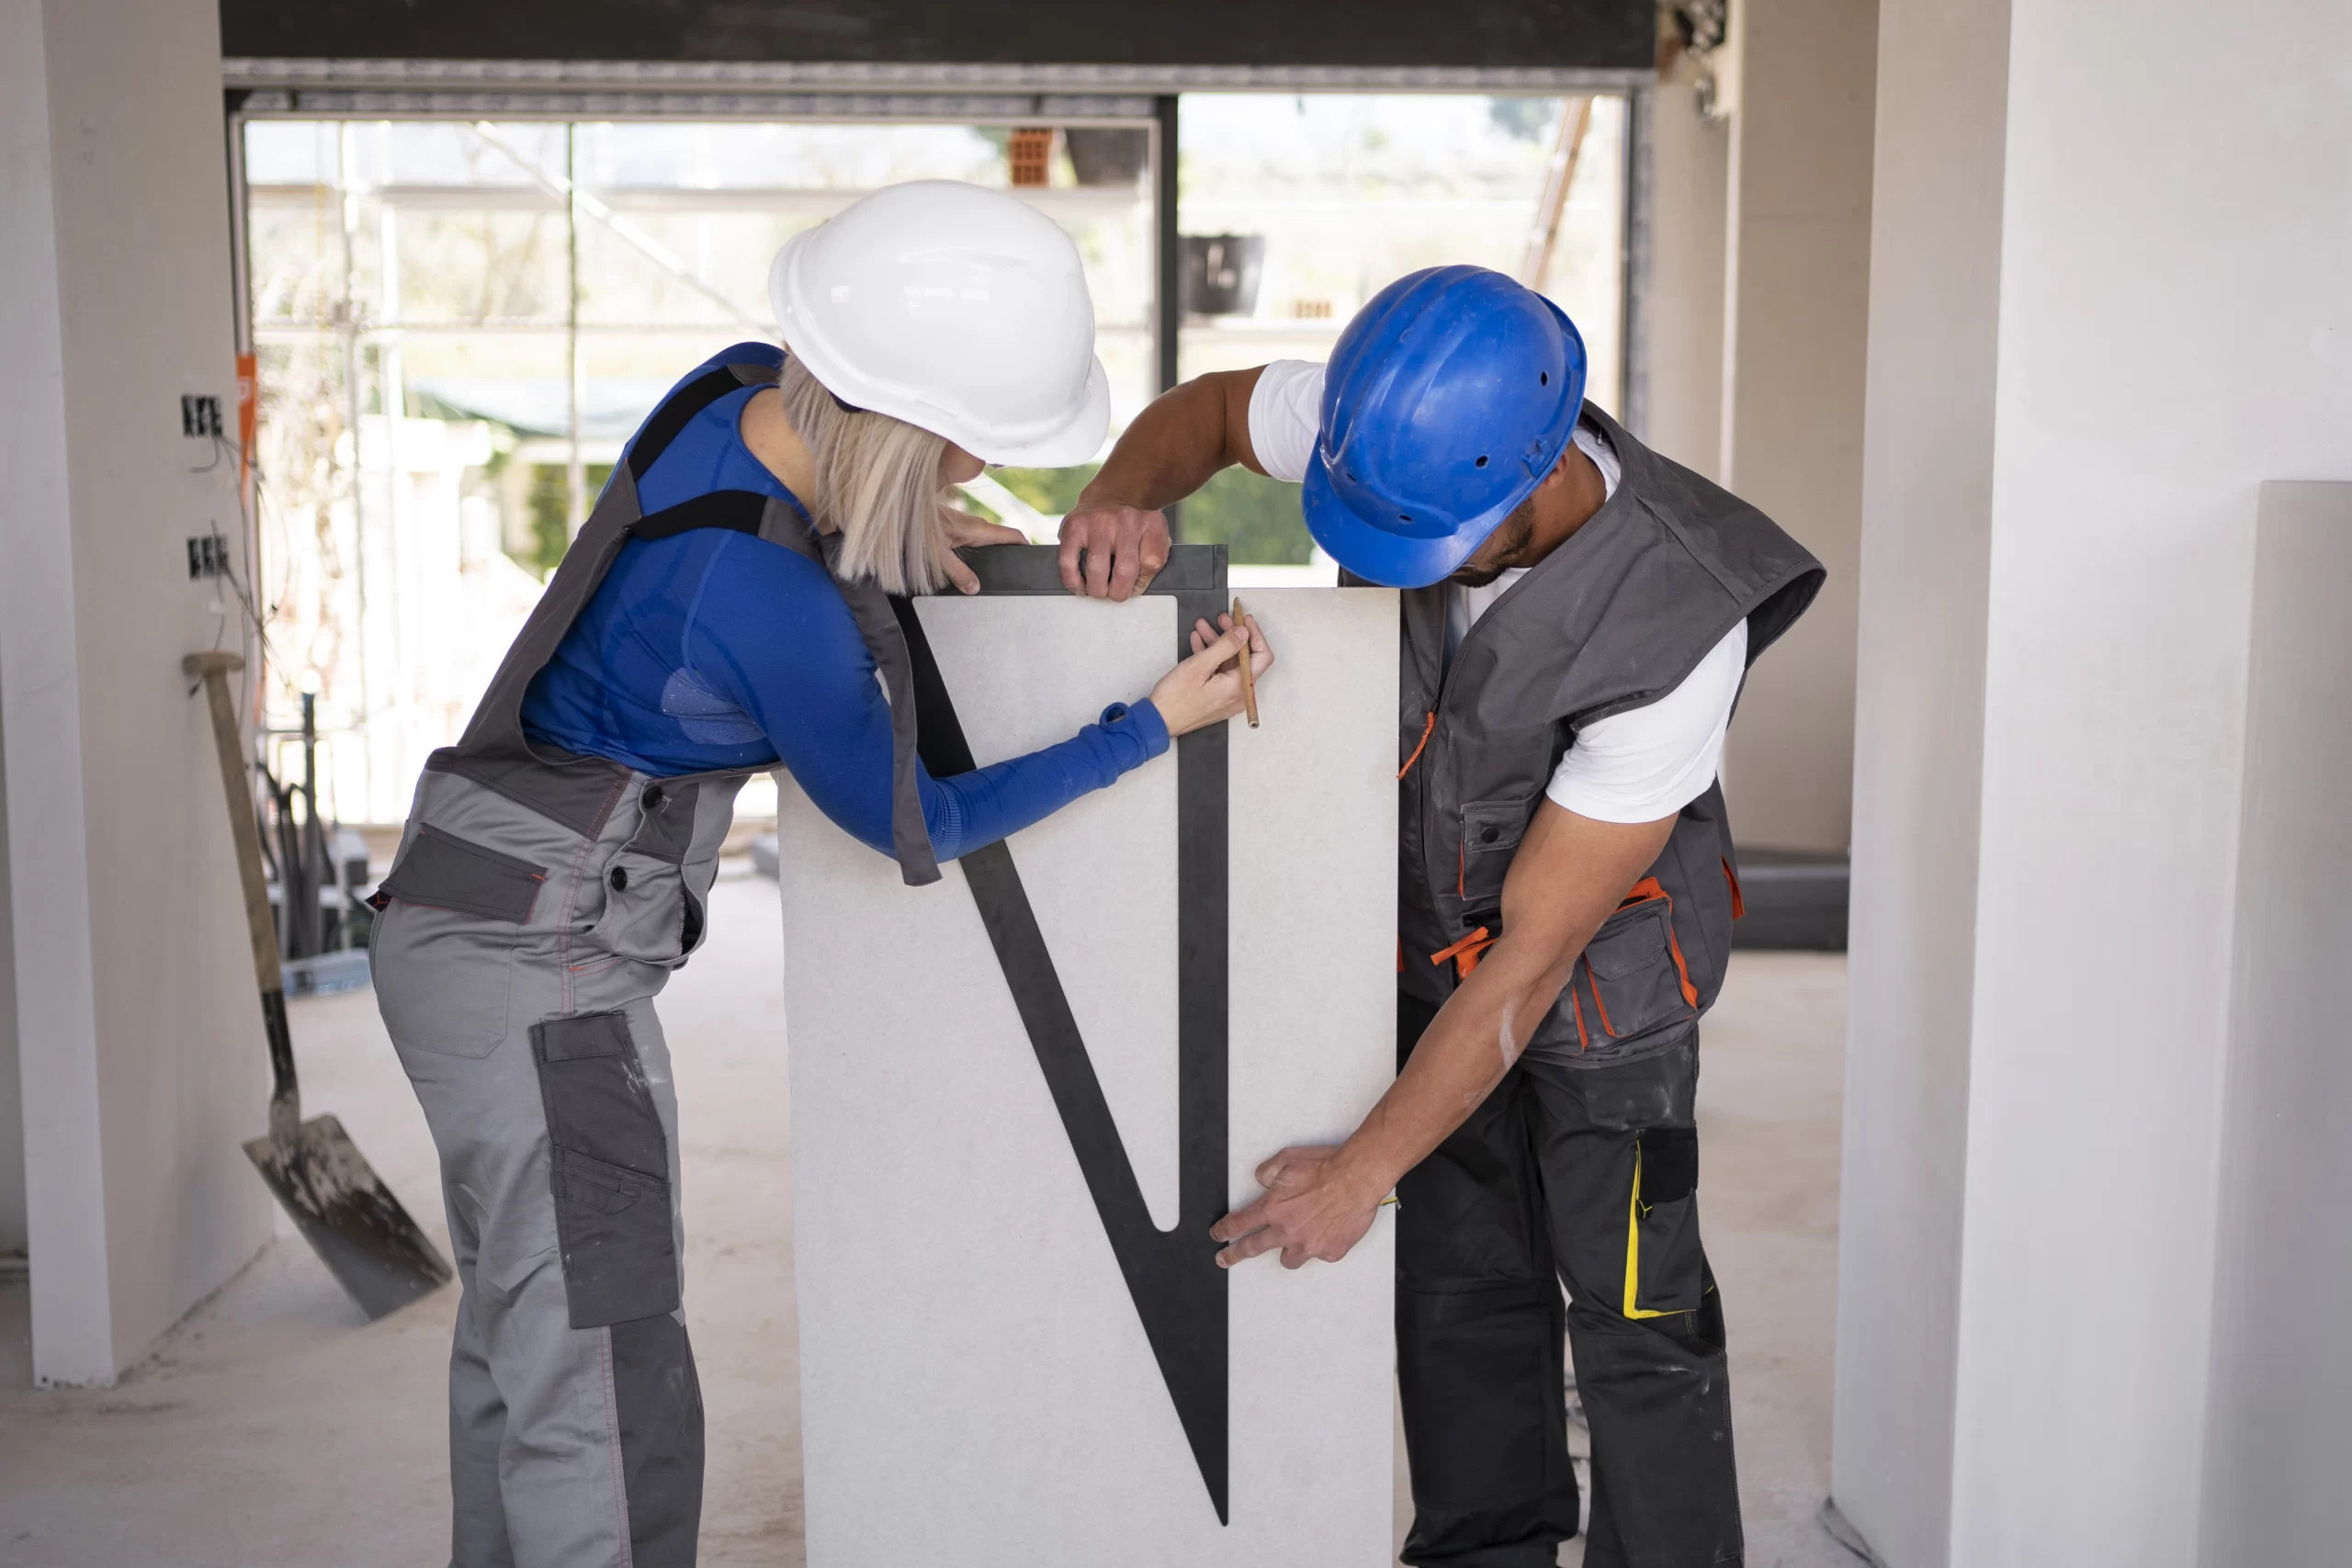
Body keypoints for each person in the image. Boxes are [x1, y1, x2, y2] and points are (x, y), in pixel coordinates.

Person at [369, 179, 1271, 1568]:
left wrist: (899, 529)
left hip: (463, 904)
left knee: (527, 1343)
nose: (976, 478)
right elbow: (918, 823)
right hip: (542, 971)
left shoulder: (729, 393)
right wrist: (1147, 726)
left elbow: (789, 527)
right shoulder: (767, 602)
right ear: (903, 424)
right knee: (609, 1385)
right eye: (965, 457)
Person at [1057, 265, 1823, 1568]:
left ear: (1533, 480)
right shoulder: (1396, 426)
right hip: (1425, 941)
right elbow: (1207, 412)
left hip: (1605, 983)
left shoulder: (1680, 619)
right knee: (1462, 1287)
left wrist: (1362, 1169)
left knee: (1637, 1311)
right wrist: (1122, 491)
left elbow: (1534, 959)